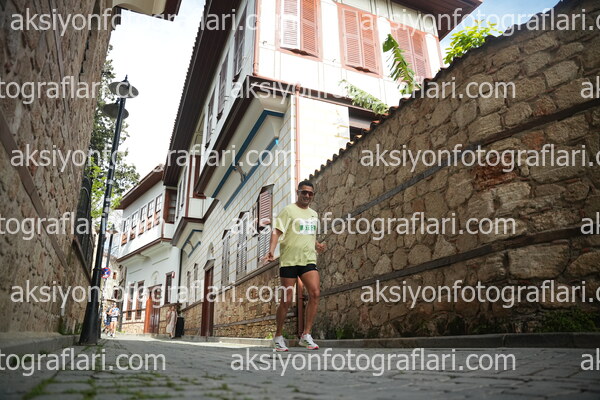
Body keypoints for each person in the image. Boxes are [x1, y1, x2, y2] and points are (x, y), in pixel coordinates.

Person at [264, 180, 326, 351]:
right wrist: (271, 250)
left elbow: (308, 235)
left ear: (313, 196)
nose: (307, 195)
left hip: (308, 259)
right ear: (298, 192)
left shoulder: (313, 214)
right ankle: (278, 336)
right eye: (304, 192)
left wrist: (317, 245)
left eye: (310, 193)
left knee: (315, 293)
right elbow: (277, 231)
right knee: (286, 300)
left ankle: (306, 335)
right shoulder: (288, 210)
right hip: (289, 261)